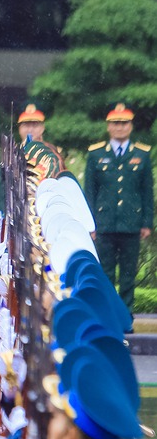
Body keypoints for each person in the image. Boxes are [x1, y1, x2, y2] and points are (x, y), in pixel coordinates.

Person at [84, 102, 153, 320]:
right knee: (105, 272)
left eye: (124, 123)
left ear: (131, 126)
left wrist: (147, 222)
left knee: (128, 274)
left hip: (130, 223)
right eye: (116, 123)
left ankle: (125, 315)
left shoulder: (141, 154)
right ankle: (106, 315)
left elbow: (147, 192)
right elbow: (89, 192)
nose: (120, 127)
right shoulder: (96, 155)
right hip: (104, 223)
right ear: (108, 127)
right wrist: (90, 224)